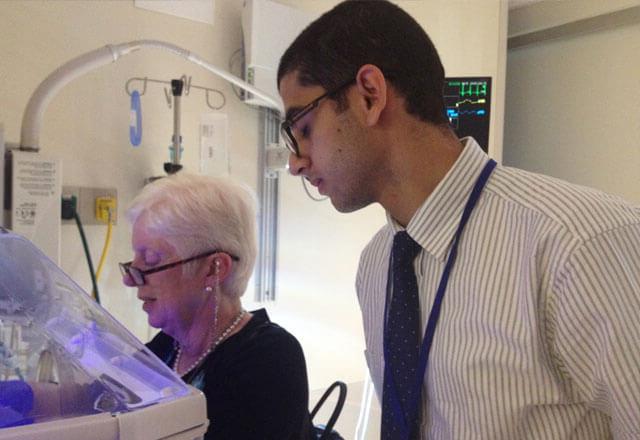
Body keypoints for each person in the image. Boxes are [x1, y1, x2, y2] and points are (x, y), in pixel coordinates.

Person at [277, 1, 640, 439]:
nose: (295, 163)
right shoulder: (375, 267)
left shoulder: (581, 246)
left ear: (370, 95)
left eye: (302, 127)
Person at [120, 173, 314, 440]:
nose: (129, 279)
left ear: (214, 268)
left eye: (151, 260)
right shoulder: (168, 347)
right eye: (135, 260)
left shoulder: (270, 357)